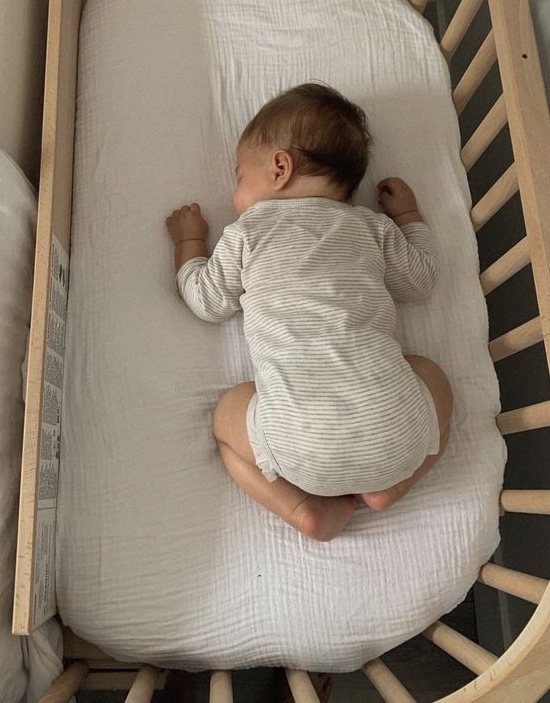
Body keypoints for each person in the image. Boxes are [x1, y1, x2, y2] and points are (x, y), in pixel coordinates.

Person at [165, 83, 453, 542]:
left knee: (226, 418)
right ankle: (391, 486)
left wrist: (189, 244)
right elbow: (420, 282)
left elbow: (207, 301)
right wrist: (409, 216)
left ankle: (306, 510)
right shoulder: (370, 226)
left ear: (279, 168)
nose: (236, 189)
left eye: (240, 175)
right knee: (431, 375)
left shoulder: (250, 230)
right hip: (397, 436)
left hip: (301, 446)